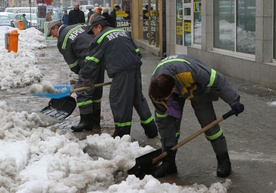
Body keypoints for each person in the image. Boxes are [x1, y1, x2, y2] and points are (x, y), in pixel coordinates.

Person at [148, 54, 245, 178]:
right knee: (170, 128)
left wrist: (234, 101)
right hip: (173, 90)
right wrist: (168, 149)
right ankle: (169, 164)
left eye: (164, 99)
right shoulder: (156, 93)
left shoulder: (191, 72)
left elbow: (218, 80)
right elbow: (163, 122)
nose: (163, 101)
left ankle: (223, 160)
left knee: (209, 123)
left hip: (197, 88)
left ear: (172, 90)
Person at [83, 16, 158, 138]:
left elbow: (91, 61)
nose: (93, 34)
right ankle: (151, 129)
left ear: (99, 27)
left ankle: (122, 133)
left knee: (119, 100)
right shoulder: (123, 33)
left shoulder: (101, 38)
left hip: (122, 72)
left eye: (93, 31)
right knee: (137, 98)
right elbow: (138, 53)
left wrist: (86, 79)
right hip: (135, 69)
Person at [47, 20, 105, 132]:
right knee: (96, 90)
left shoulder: (62, 39)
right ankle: (95, 121)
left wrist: (81, 75)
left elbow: (73, 63)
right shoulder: (78, 25)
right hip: (99, 58)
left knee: (83, 93)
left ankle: (86, 122)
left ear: (56, 28)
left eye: (52, 33)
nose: (53, 36)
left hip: (87, 63)